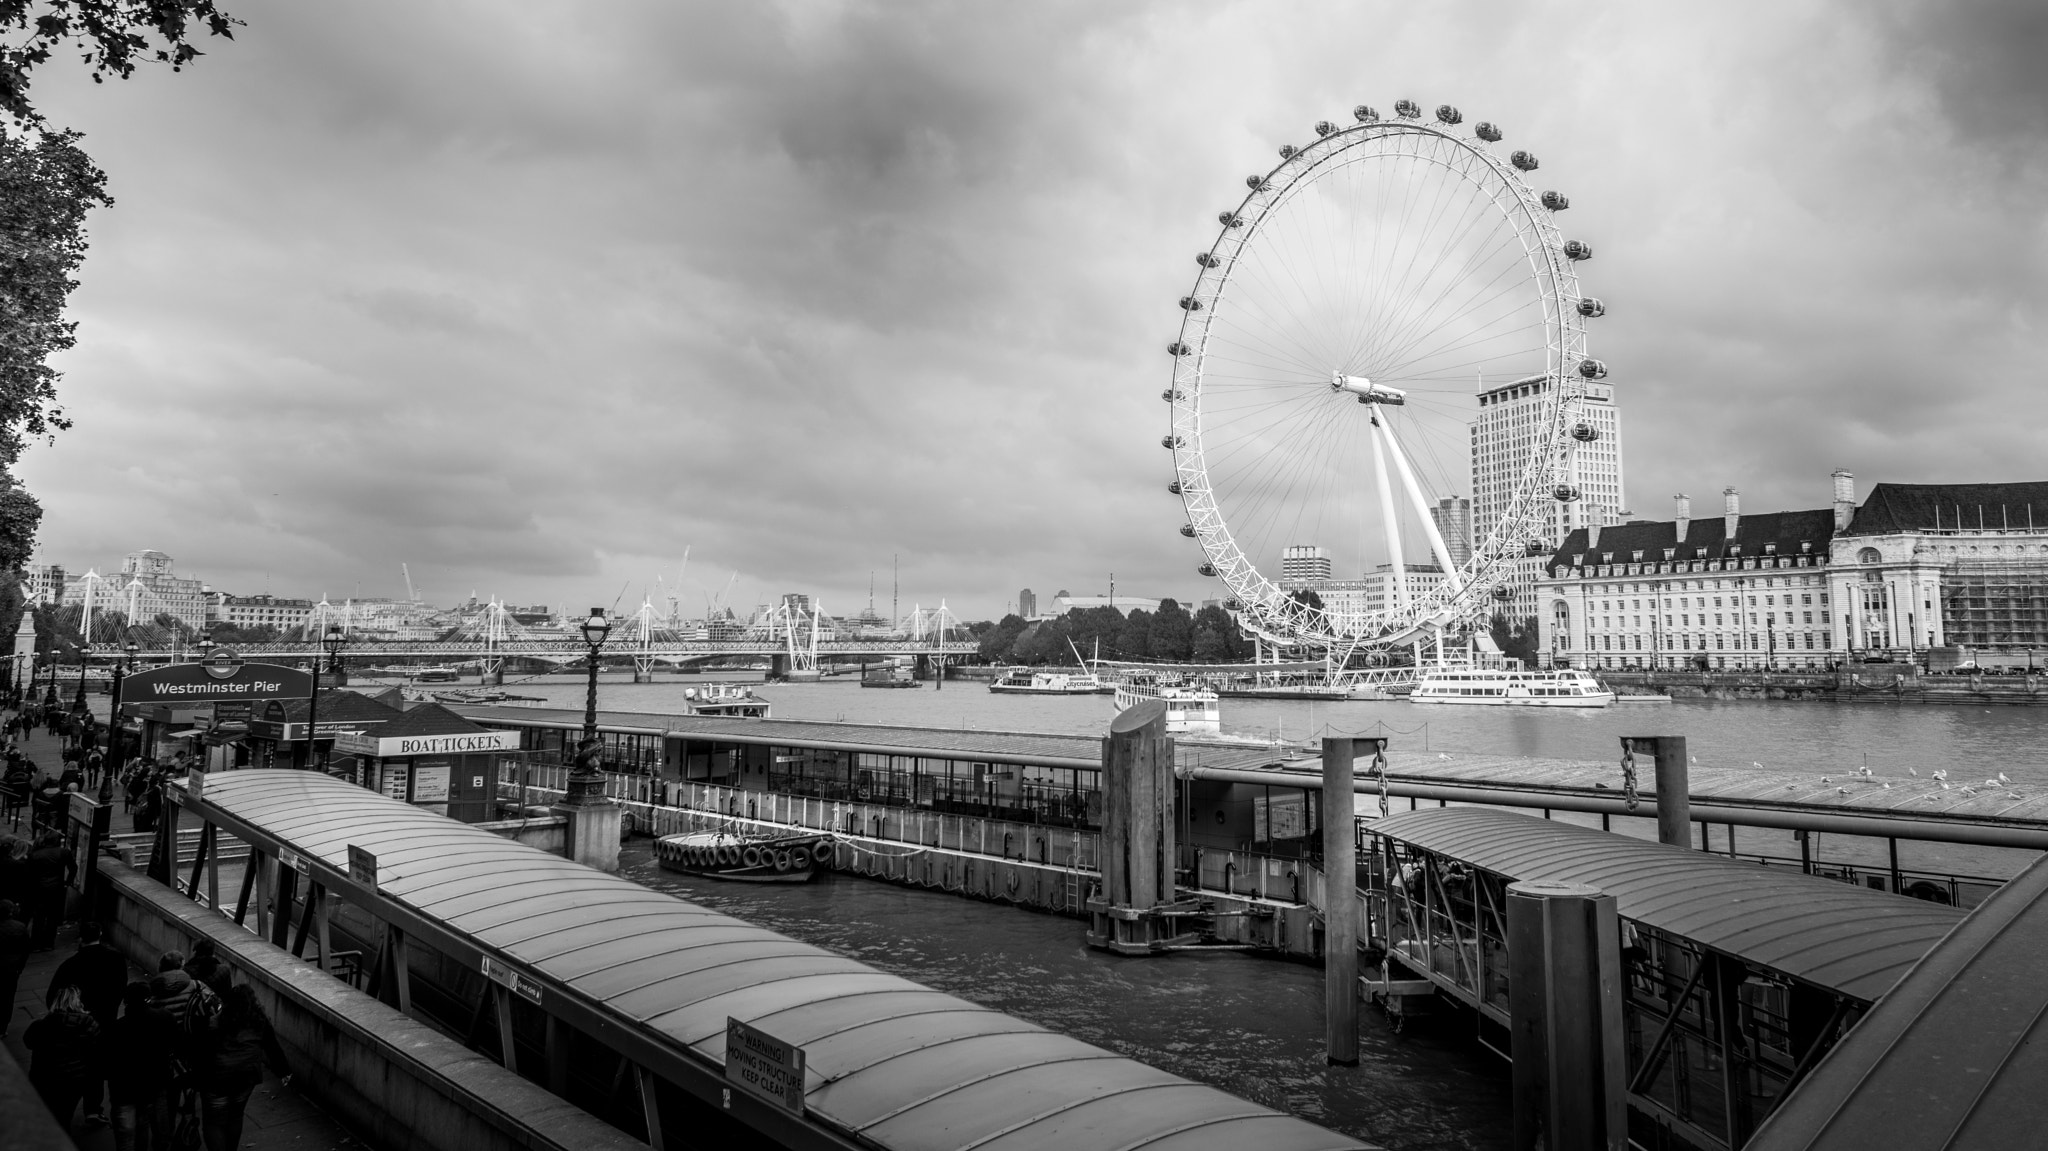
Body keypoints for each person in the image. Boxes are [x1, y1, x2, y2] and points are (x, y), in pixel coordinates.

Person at [51, 922, 130, 1124]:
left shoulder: (70, 965)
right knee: (96, 1064)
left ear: (81, 938)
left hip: (77, 1021)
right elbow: (121, 986)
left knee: (76, 1063)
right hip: (104, 1018)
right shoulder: (115, 959)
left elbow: (53, 996)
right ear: (100, 934)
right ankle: (93, 1109)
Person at [196, 984, 290, 1151]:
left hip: (217, 1079)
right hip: (246, 1077)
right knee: (235, 1115)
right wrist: (283, 1071)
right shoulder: (259, 1021)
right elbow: (272, 1047)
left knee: (213, 1122)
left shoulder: (214, 1023)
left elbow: (201, 1050)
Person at [105, 981, 175, 1151]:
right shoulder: (164, 1018)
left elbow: (106, 1063)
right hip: (156, 1082)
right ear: (148, 998)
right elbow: (176, 1045)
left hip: (125, 1089)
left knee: (127, 1139)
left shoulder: (116, 1028)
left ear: (126, 1002)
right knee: (161, 1132)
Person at [24, 983, 101, 1128]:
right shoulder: (88, 1024)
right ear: (78, 1002)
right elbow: (95, 1051)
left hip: (44, 1078)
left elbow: (28, 1042)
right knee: (65, 1115)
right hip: (73, 1081)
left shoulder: (41, 1025)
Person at [25, 828, 73, 950]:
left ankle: (36, 943)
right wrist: (68, 882)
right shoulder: (64, 852)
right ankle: (48, 943)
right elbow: (73, 868)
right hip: (56, 888)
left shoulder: (35, 855)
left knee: (39, 916)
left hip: (39, 888)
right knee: (53, 916)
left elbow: (30, 873)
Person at [0, 899, 29, 1037]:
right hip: (12, 968)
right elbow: (25, 950)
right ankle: (3, 1026)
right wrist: (20, 967)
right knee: (8, 997)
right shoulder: (20, 927)